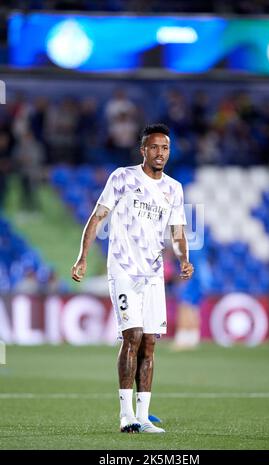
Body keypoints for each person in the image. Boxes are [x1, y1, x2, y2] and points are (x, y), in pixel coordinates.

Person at [71, 123, 194, 433]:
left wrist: (183, 258)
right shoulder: (123, 177)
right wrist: (83, 256)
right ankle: (126, 415)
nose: (160, 153)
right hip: (124, 269)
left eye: (165, 148)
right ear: (143, 150)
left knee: (150, 343)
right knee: (133, 336)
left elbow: (177, 231)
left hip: (153, 273)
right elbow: (97, 217)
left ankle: (143, 416)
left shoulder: (173, 188)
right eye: (154, 147)